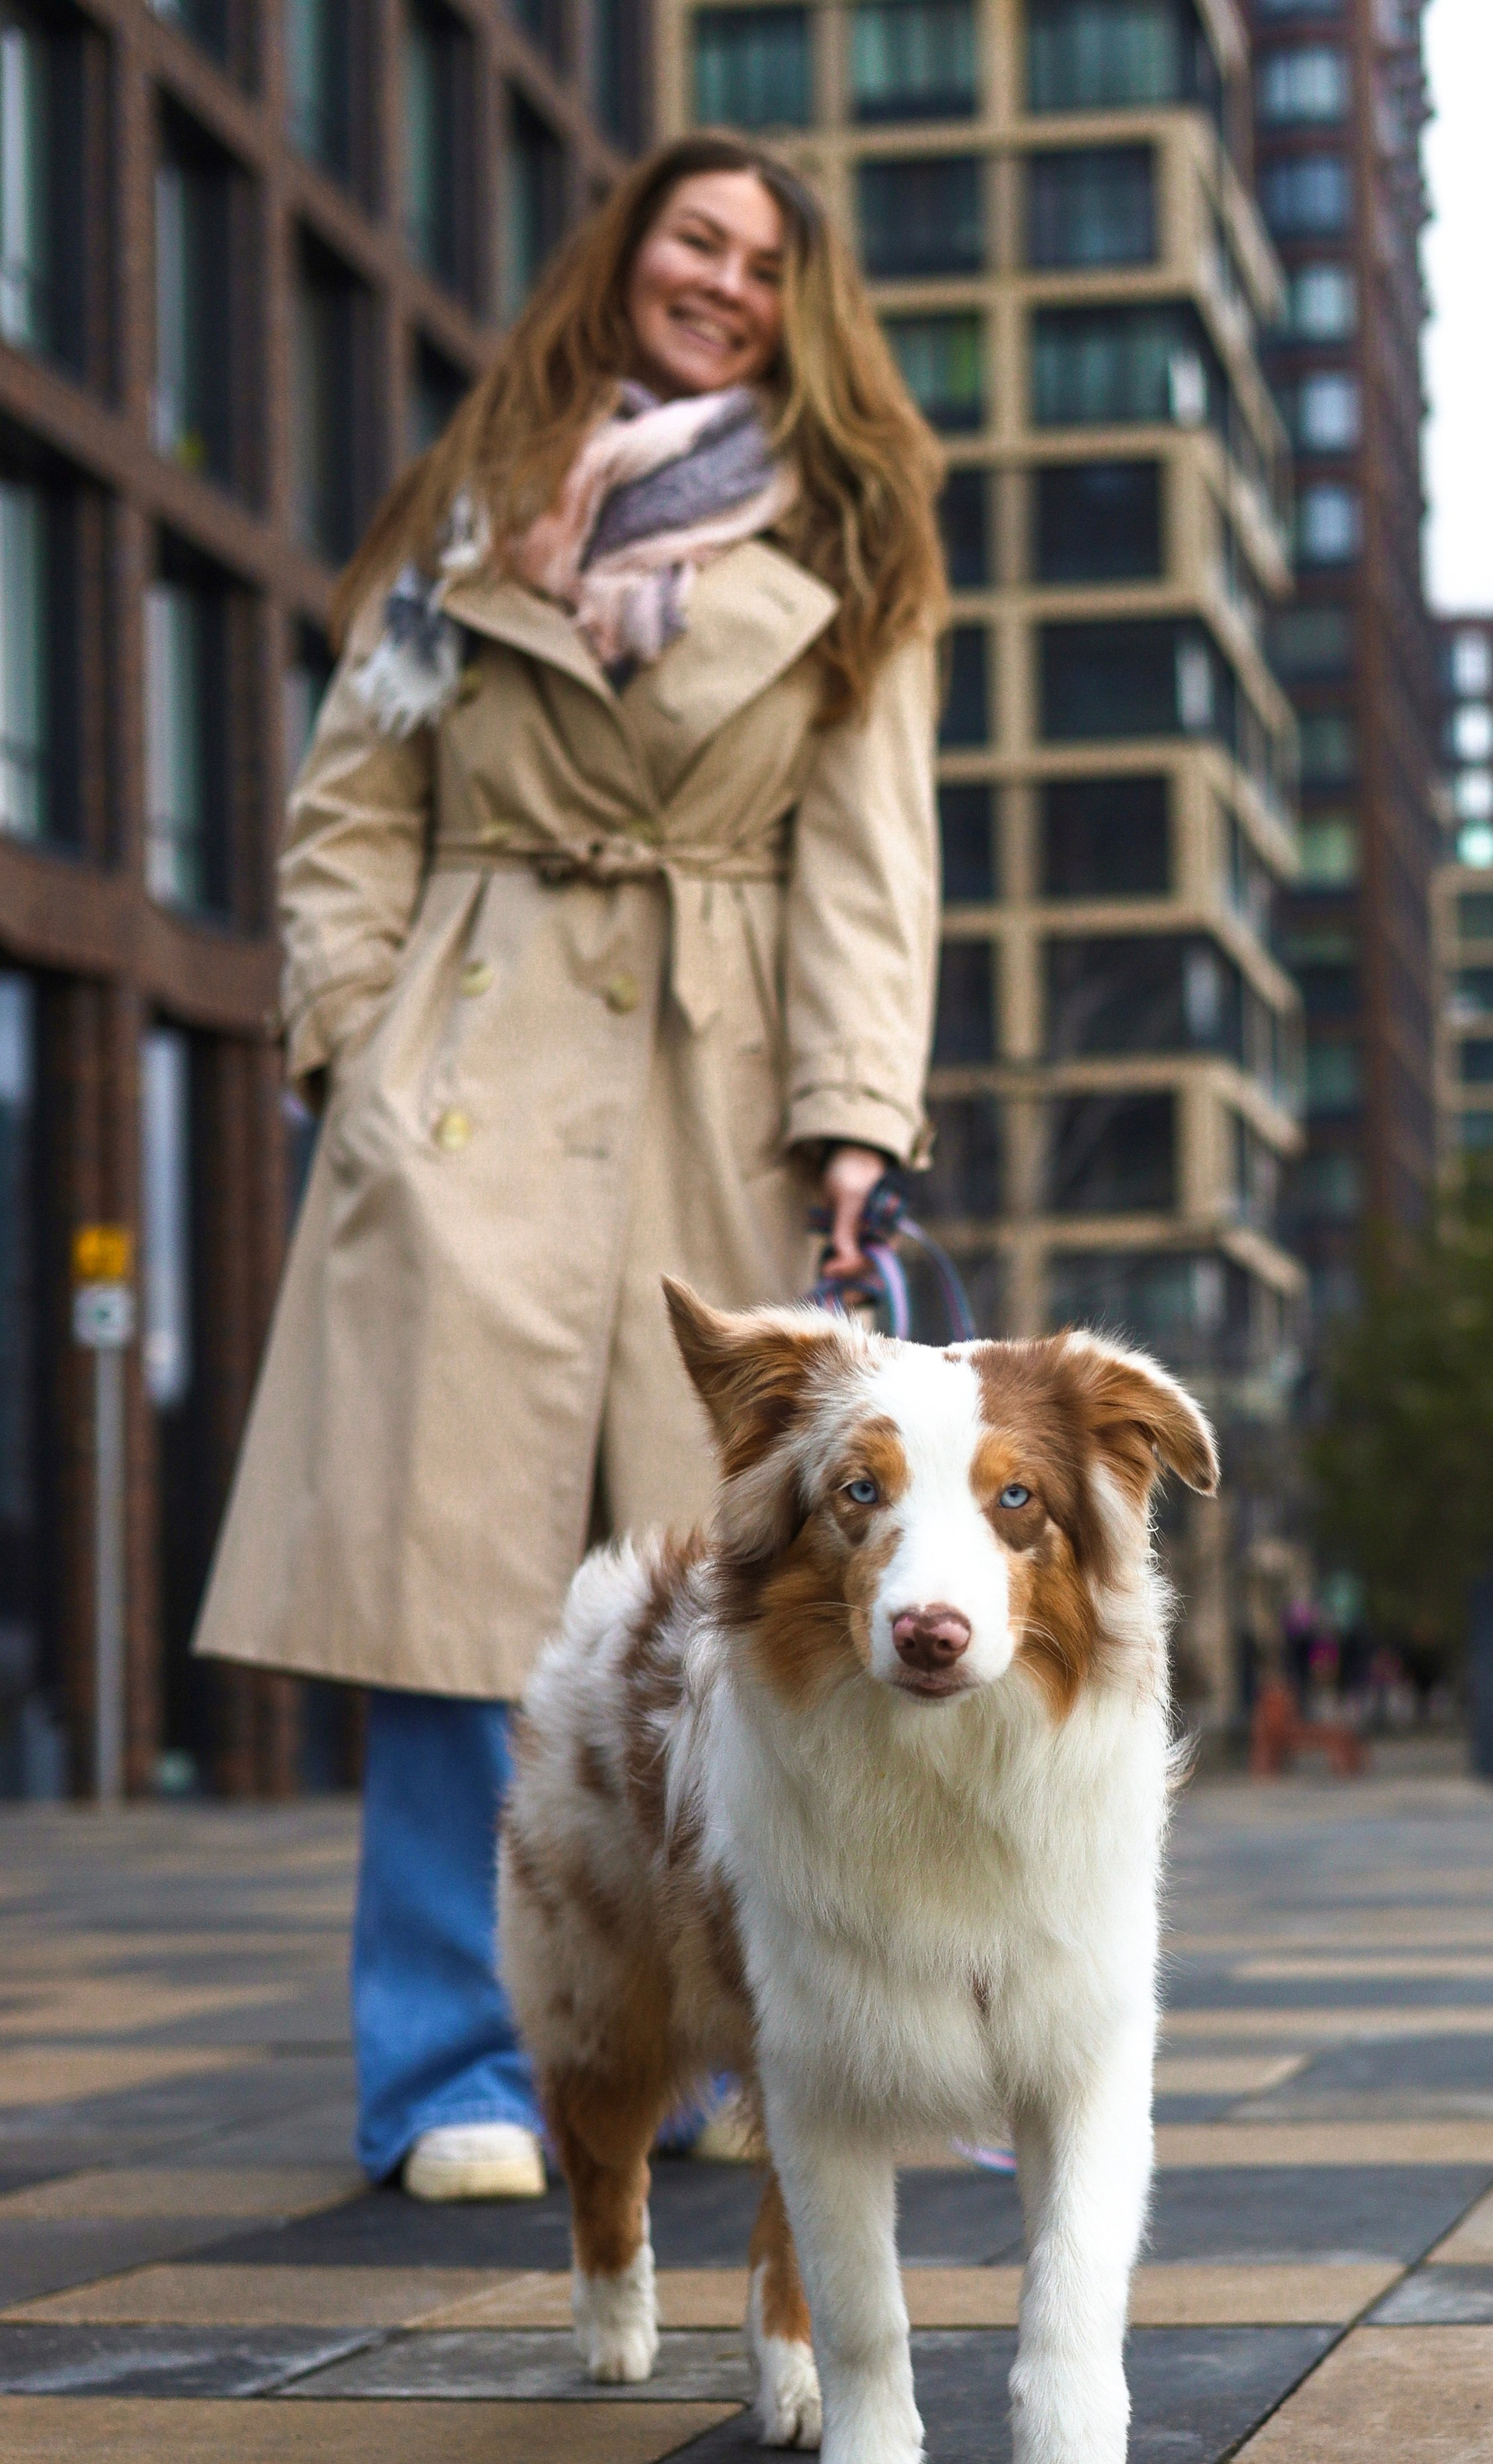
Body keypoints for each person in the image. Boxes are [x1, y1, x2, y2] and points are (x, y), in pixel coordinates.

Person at [193, 134, 946, 2201]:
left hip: (712, 1099)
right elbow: (354, 798)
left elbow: (871, 871)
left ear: (802, 309)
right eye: (693, 237)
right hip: (468, 1078)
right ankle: (446, 2067)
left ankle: (673, 2042)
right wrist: (352, 1039)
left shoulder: (858, 541)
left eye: (764, 260)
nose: (721, 278)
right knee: (455, 1605)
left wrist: (853, 1124)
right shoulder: (475, 510)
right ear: (624, 256)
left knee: (692, 1614)